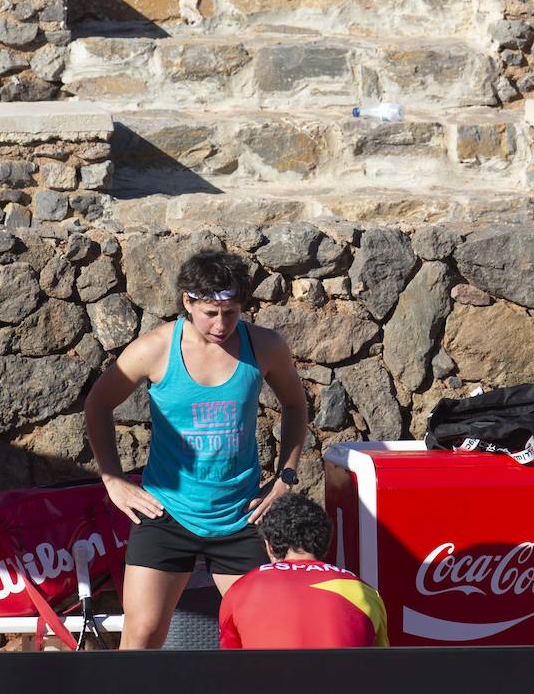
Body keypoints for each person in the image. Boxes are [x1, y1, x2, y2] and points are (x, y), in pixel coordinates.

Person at [84, 249, 308, 649]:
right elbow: (98, 404)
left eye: (231, 312)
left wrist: (285, 478)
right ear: (187, 301)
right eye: (210, 313)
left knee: (271, 637)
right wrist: (113, 480)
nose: (221, 324)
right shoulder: (153, 349)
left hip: (242, 515)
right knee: (141, 636)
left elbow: (295, 404)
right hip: (166, 512)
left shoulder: (265, 346)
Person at [219, 493, 388, 649]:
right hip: (341, 680)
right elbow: (381, 665)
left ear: (269, 546)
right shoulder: (364, 591)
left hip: (268, 680)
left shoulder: (241, 589)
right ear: (325, 544)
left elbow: (230, 666)